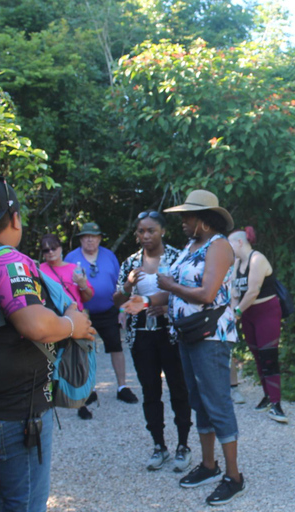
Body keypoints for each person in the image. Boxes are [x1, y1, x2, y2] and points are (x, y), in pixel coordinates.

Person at [0, 176, 95, 511]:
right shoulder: (6, 261)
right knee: (23, 501)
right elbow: (35, 325)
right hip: (16, 410)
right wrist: (72, 324)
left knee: (1, 494)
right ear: (14, 218)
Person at [121, 190, 245, 506]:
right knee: (198, 400)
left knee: (217, 402)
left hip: (211, 336)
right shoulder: (193, 247)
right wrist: (146, 301)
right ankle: (208, 464)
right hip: (188, 335)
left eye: (187, 217)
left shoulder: (219, 247)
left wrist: (169, 286)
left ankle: (234, 476)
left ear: (203, 220)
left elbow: (205, 293)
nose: (183, 223)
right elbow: (175, 294)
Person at [112, 211, 193, 473]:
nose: (145, 236)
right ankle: (159, 445)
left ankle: (183, 445)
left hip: (171, 333)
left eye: (151, 231)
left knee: (179, 389)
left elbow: (187, 294)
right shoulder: (131, 263)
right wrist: (127, 285)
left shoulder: (177, 257)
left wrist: (165, 306)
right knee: (150, 391)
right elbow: (117, 301)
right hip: (141, 335)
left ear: (163, 232)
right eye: (140, 231)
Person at [65, 222, 138, 405]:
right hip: (83, 313)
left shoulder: (109, 256)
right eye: (86, 236)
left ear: (99, 239)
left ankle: (122, 386)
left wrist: (122, 310)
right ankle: (90, 389)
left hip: (109, 310)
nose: (90, 240)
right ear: (81, 239)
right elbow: (66, 287)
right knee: (86, 351)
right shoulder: (71, 257)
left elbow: (120, 284)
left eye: (94, 236)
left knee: (116, 347)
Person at [228, 227, 286, 423]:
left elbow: (253, 291)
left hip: (266, 312)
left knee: (268, 355)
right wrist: (234, 314)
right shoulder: (237, 263)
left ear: (239, 243)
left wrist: (236, 312)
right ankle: (267, 395)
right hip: (248, 314)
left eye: (230, 244)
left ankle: (277, 404)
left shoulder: (257, 259)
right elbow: (235, 291)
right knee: (257, 354)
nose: (229, 249)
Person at [39, 233, 96, 420]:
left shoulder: (74, 269)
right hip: (53, 321)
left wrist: (81, 284)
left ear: (60, 248)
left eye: (53, 248)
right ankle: (55, 396)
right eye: (45, 250)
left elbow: (87, 297)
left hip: (76, 320)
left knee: (79, 361)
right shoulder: (39, 271)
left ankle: (82, 400)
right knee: (54, 361)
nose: (50, 253)